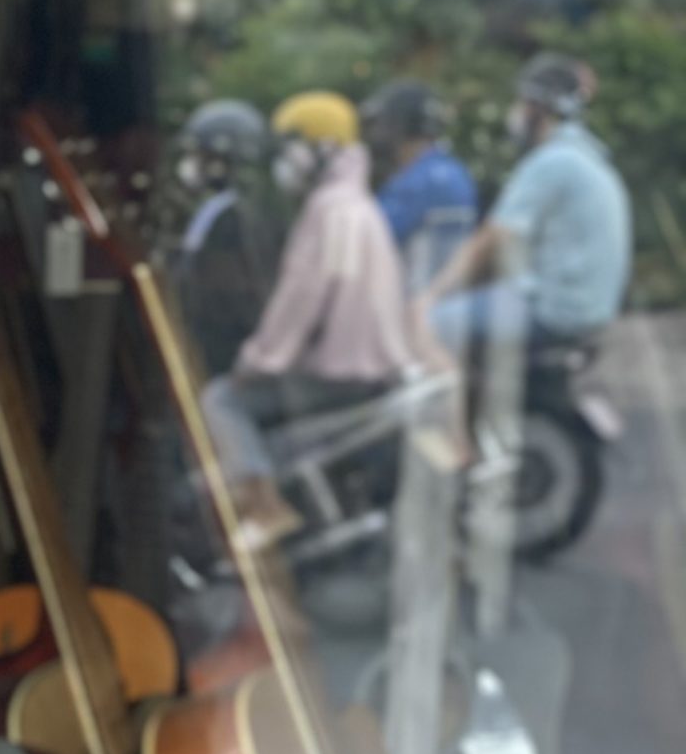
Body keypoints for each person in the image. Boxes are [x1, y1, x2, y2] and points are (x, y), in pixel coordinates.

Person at [201, 90, 423, 535]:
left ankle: (263, 505)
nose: (288, 162)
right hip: (374, 369)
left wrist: (257, 361)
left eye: (293, 149)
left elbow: (301, 300)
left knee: (220, 399)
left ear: (324, 149)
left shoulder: (328, 212)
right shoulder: (359, 206)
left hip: (338, 373)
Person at [423, 53, 631, 359]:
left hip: (555, 312)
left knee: (432, 321)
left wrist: (431, 296)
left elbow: (492, 238)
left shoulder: (552, 160)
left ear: (538, 107)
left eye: (521, 102)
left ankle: (447, 392)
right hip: (593, 311)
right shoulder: (590, 156)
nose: (516, 112)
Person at [172, 97, 277, 377]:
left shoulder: (232, 218)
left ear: (222, 160)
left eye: (200, 155)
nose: (191, 164)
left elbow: (227, 293)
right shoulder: (218, 210)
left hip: (225, 355)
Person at [362, 79, 477, 283]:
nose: (377, 134)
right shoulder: (457, 173)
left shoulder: (414, 183)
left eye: (381, 124)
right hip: (449, 294)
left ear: (398, 126)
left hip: (413, 296)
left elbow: (366, 240)